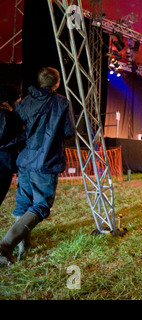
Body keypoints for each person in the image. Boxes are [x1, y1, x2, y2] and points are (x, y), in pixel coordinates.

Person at [0, 67, 75, 266]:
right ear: (57, 83)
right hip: (46, 161)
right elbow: (68, 132)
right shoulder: (62, 103)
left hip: (25, 160)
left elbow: (16, 128)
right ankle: (5, 245)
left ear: (40, 81)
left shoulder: (24, 102)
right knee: (41, 205)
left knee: (23, 203)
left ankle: (23, 245)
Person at [0, 84, 24, 206]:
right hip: (3, 164)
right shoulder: (4, 115)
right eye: (18, 97)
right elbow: (2, 141)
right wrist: (23, 136)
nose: (20, 100)